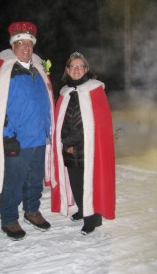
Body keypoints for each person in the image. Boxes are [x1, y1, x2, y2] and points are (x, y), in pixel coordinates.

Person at [0, 22, 55, 241]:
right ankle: (9, 218)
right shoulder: (5, 71)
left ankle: (32, 210)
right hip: (17, 140)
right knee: (13, 181)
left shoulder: (39, 71)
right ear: (13, 46)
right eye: (20, 43)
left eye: (29, 43)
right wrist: (7, 135)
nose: (26, 47)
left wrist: (48, 129)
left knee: (34, 180)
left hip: (39, 138)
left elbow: (47, 102)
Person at [51, 52, 115, 235]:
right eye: (73, 66)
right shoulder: (64, 93)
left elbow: (95, 123)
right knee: (76, 182)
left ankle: (92, 219)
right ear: (67, 70)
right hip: (69, 148)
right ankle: (82, 209)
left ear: (86, 69)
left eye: (80, 66)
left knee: (90, 182)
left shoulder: (95, 90)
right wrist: (65, 143)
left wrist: (71, 142)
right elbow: (62, 121)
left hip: (89, 148)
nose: (76, 69)